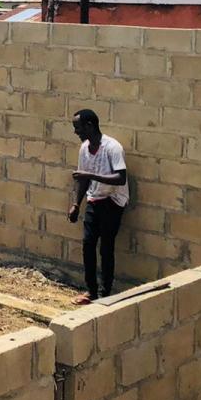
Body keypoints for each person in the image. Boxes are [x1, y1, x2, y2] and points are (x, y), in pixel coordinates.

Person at [67, 108, 129, 304]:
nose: (76, 132)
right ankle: (91, 291)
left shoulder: (112, 147)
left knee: (106, 248)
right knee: (88, 245)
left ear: (89, 126)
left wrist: (90, 175)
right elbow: (83, 180)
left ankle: (105, 293)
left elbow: (120, 178)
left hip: (113, 200)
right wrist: (76, 204)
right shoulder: (84, 148)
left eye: (78, 127)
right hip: (95, 199)